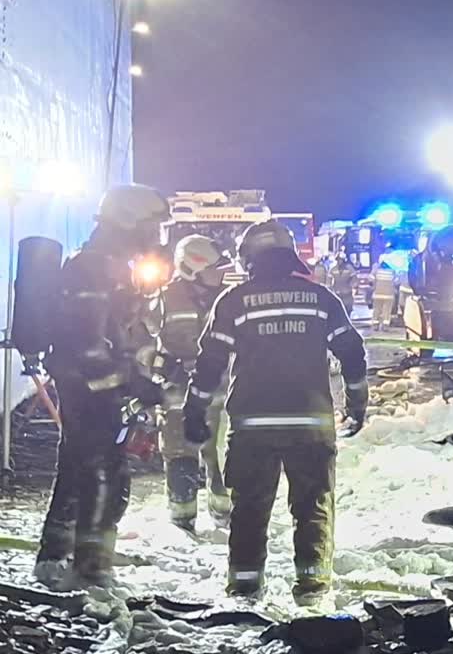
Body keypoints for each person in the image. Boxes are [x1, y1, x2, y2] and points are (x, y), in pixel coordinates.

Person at [183, 218, 367, 605]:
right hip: (311, 425)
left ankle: (245, 589)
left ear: (250, 258)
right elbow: (352, 352)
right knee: (313, 506)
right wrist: (357, 402)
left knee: (249, 508)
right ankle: (313, 588)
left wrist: (194, 409)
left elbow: (210, 362)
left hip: (253, 427)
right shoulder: (321, 299)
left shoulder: (233, 301)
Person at [33, 184, 168, 590]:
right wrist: (135, 381)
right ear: (128, 222)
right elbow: (89, 345)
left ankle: (55, 555)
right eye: (152, 226)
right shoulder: (93, 267)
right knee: (103, 472)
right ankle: (91, 569)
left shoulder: (111, 265)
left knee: (78, 465)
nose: (156, 236)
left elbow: (121, 332)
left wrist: (144, 366)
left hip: (98, 386)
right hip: (89, 386)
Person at [157, 234, 232, 532]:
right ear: (193, 269)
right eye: (214, 269)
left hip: (222, 394)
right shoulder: (163, 298)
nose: (221, 275)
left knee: (224, 455)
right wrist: (162, 367)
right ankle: (182, 518)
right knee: (181, 456)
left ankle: (225, 514)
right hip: (179, 395)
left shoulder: (229, 299)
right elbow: (141, 343)